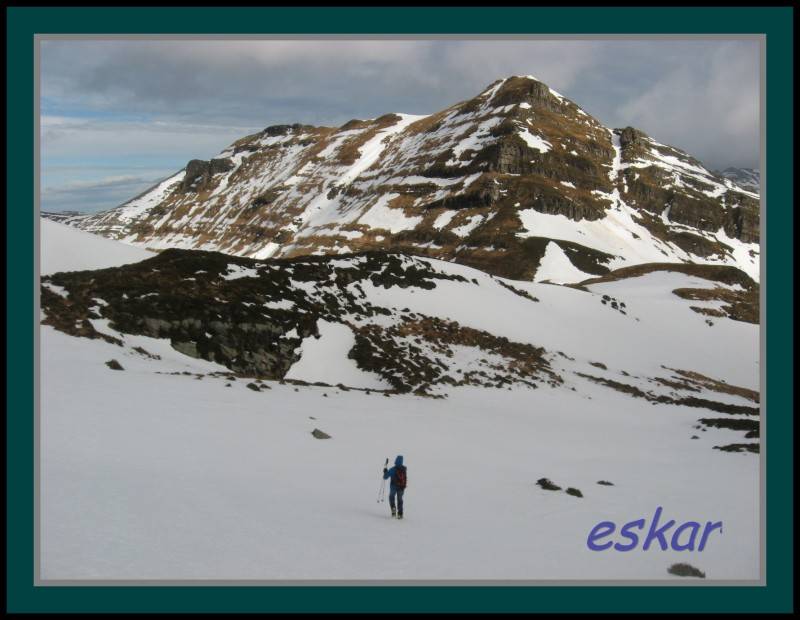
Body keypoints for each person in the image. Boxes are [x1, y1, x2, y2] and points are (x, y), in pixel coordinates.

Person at [383, 455, 407, 519]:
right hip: (401, 487)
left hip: (393, 487)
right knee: (400, 500)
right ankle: (400, 514)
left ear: (396, 460)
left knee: (391, 497)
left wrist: (385, 471)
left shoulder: (393, 469)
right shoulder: (404, 469)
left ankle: (393, 509)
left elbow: (385, 477)